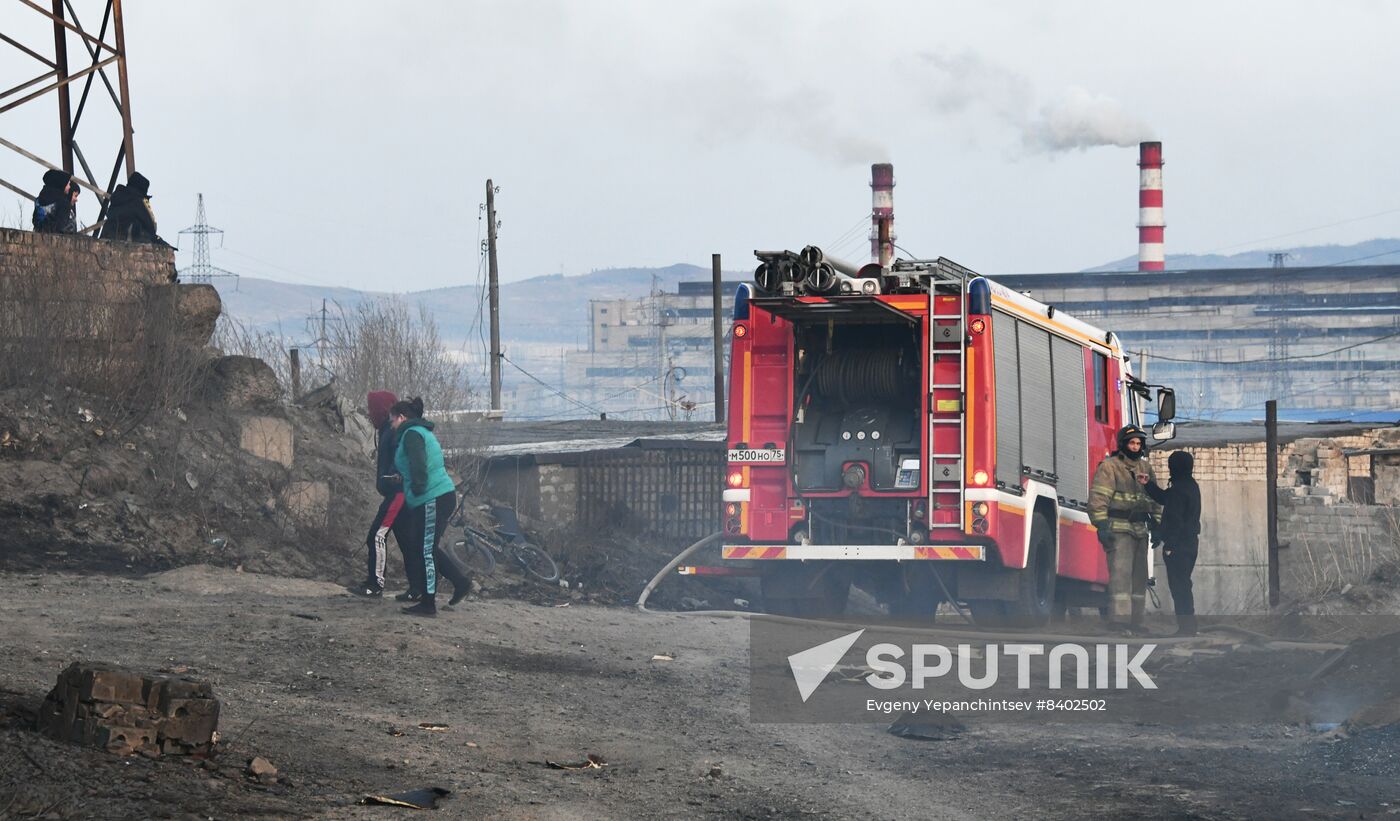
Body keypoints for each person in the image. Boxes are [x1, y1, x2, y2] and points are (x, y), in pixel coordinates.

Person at [390, 397, 470, 616]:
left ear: (402, 418)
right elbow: (417, 464)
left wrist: (416, 488)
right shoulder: (419, 432)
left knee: (424, 550)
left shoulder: (412, 434)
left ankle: (428, 604)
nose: (391, 425)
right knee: (423, 546)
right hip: (435, 495)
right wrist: (404, 477)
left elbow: (419, 466)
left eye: (392, 420)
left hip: (432, 497)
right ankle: (460, 582)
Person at [1089, 425, 1161, 635]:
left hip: (1140, 530)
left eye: (1139, 443)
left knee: (1139, 579)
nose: (1135, 447)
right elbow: (1098, 499)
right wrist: (1101, 525)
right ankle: (1118, 623)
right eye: (1132, 443)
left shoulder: (1146, 468)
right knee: (1120, 578)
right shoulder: (1110, 467)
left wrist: (1157, 524)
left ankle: (1136, 622)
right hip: (1118, 530)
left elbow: (1155, 499)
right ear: (1123, 444)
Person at [354, 390, 420, 600]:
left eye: (372, 409)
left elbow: (402, 457)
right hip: (397, 492)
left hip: (397, 493)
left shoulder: (392, 431)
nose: (369, 414)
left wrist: (394, 476)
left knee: (377, 535)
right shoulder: (385, 430)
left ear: (381, 410)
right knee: (407, 542)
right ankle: (417, 588)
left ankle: (375, 585)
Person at [1147, 451, 1202, 636]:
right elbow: (1164, 498)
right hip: (1191, 544)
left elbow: (1175, 519)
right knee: (1184, 584)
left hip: (1179, 545)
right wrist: (1147, 484)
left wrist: (1169, 545)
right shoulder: (1191, 486)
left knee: (1179, 588)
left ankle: (1186, 628)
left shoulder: (1179, 489)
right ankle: (1189, 626)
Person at [99, 172, 160, 243]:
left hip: (106, 238)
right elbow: (151, 227)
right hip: (128, 243)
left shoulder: (117, 197)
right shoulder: (138, 201)